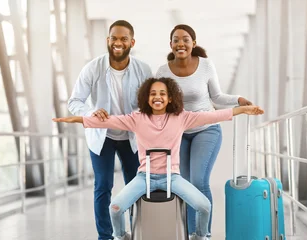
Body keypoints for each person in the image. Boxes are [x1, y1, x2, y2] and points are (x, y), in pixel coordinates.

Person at [56, 77, 264, 240]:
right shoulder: (136, 119)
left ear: (170, 97)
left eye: (162, 93)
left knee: (204, 206)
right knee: (115, 208)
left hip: (172, 178)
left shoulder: (182, 117)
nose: (158, 97)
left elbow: (213, 116)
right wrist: (76, 118)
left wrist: (243, 109)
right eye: (153, 93)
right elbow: (106, 121)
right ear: (147, 97)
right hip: (143, 177)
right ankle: (121, 237)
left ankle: (199, 237)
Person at [155, 24, 253, 237]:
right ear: (170, 44)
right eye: (176, 40)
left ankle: (204, 233)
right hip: (179, 133)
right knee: (185, 185)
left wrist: (238, 100)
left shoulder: (206, 66)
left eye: (185, 39)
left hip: (206, 130)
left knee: (199, 181)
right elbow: (159, 101)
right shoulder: (163, 71)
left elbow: (216, 98)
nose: (181, 43)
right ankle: (193, 233)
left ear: (193, 43)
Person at [67, 20, 152, 240]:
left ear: (132, 42)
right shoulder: (93, 68)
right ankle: (105, 236)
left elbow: (152, 103)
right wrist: (91, 112)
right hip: (102, 136)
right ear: (108, 40)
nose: (118, 42)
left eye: (124, 39)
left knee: (136, 185)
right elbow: (75, 101)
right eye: (114, 38)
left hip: (132, 137)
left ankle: (137, 232)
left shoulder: (143, 69)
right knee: (103, 185)